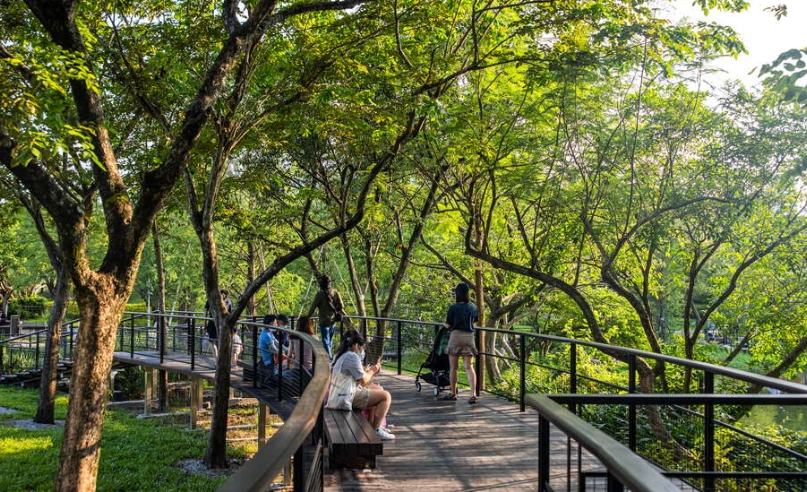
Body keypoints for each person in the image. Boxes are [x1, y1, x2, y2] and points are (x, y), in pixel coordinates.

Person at [330, 330, 395, 440]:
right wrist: (372, 370)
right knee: (385, 396)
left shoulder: (341, 355)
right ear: (356, 345)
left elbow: (359, 378)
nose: (362, 351)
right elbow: (364, 381)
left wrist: (369, 371)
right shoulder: (352, 356)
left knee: (378, 389)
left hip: (340, 393)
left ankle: (372, 426)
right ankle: (377, 429)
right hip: (345, 396)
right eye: (362, 348)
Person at [443, 282, 479, 404]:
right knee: (469, 367)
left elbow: (448, 325)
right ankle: (473, 393)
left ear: (457, 294)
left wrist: (444, 325)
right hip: (469, 337)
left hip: (455, 337)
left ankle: (454, 393)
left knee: (453, 368)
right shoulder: (473, 307)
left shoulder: (453, 308)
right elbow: (475, 320)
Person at [308, 274, 346, 360]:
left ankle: (329, 358)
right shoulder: (335, 292)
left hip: (324, 320)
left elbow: (313, 307)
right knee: (330, 341)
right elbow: (341, 306)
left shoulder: (320, 294)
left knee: (325, 340)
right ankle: (330, 357)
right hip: (333, 320)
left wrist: (307, 317)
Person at [204, 289, 232, 359]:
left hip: (213, 322)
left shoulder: (211, 300)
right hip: (222, 324)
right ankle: (220, 359)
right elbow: (230, 314)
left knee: (212, 341)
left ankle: (217, 359)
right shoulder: (228, 301)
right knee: (219, 341)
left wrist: (205, 323)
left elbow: (205, 312)